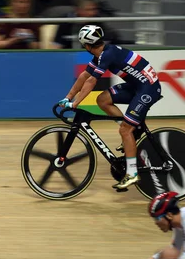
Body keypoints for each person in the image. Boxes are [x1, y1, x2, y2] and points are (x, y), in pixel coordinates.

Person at [58, 25, 162, 190]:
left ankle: (132, 173)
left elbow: (92, 81)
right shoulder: (102, 54)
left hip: (148, 88)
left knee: (125, 130)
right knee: (103, 99)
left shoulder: (107, 54)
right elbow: (85, 76)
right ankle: (132, 133)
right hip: (138, 86)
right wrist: (68, 97)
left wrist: (76, 103)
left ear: (87, 45)